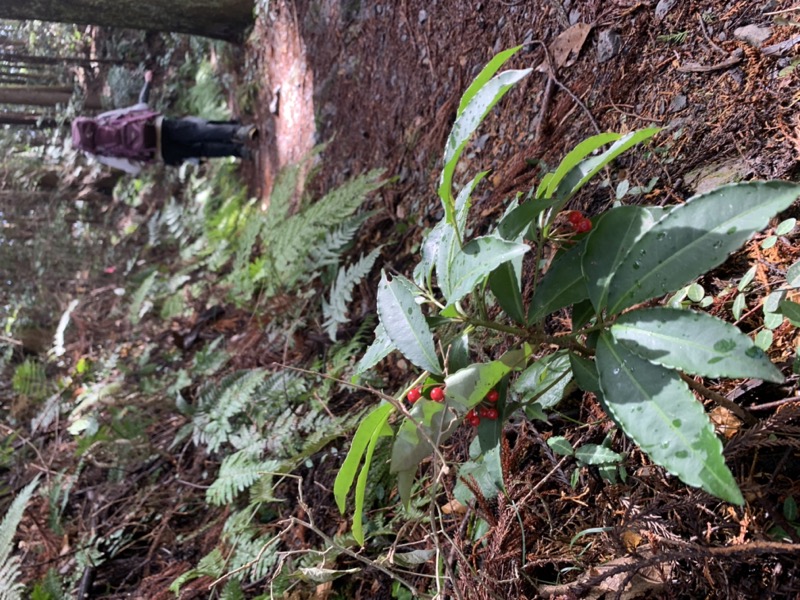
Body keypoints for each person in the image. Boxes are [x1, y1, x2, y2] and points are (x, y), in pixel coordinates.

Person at [71, 70, 257, 174]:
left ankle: (241, 151)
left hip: (158, 153)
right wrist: (147, 83)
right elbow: (135, 110)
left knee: (201, 149)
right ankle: (240, 132)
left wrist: (144, 156)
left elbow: (132, 168)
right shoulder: (101, 120)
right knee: (199, 131)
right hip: (159, 127)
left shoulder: (98, 152)